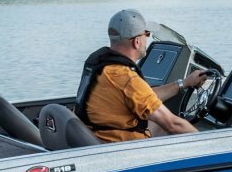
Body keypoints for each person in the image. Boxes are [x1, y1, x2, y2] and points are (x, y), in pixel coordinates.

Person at [77, 9, 211, 142]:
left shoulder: (103, 66)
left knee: (158, 122)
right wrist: (208, 144)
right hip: (120, 147)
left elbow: (144, 96)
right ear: (137, 41)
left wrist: (184, 83)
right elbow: (173, 124)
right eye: (146, 34)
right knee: (174, 124)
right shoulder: (126, 78)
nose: (147, 39)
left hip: (99, 136)